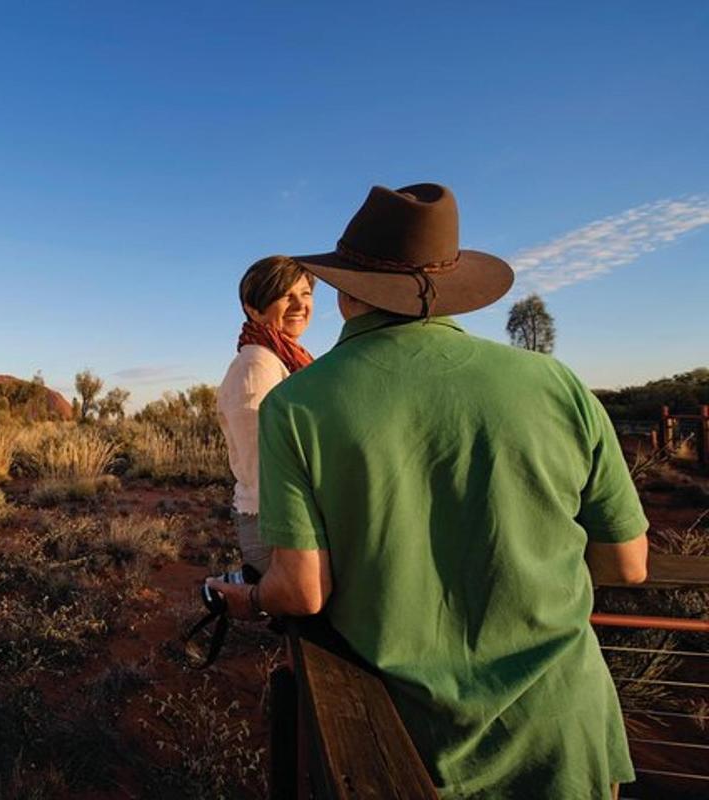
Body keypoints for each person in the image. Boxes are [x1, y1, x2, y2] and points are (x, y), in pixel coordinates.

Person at [211, 184, 648, 799]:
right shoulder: (557, 384)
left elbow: (303, 591)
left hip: (404, 747)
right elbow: (626, 564)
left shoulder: (300, 404)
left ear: (345, 289)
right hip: (564, 737)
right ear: (450, 286)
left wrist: (248, 601)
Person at [216, 255, 314, 576]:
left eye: (306, 293)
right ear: (254, 308)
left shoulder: (283, 357)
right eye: (286, 295)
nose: (300, 304)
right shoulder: (257, 364)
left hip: (286, 514)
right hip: (275, 520)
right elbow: (261, 460)